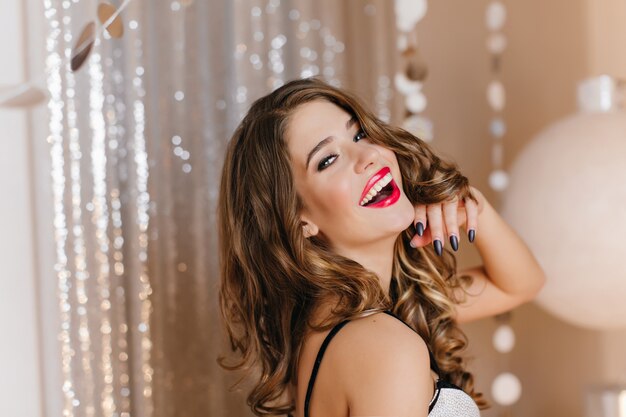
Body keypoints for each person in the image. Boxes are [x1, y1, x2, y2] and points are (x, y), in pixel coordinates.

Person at [217, 77, 546, 417]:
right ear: (299, 221)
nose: (368, 155)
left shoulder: (342, 322)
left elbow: (522, 284)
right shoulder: (385, 347)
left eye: (359, 134)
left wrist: (471, 207)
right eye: (328, 159)